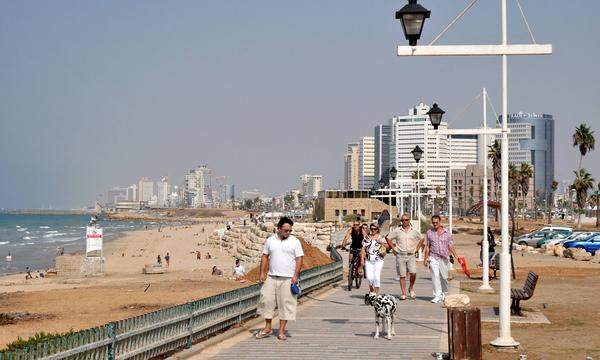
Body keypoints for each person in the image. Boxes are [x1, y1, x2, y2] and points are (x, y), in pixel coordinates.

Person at [256, 217, 304, 341]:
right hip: (271, 277)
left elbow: (299, 259)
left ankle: (281, 331)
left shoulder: (295, 241)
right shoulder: (270, 241)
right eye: (285, 230)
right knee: (266, 301)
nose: (288, 233)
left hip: (288, 278)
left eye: (290, 230)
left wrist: (295, 276)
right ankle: (267, 328)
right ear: (279, 229)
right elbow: (265, 256)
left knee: (286, 305)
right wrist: (262, 273)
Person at [385, 214, 424, 300]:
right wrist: (393, 248)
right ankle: (403, 293)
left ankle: (411, 287)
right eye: (403, 220)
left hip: (411, 255)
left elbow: (422, 238)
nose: (404, 222)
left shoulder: (414, 230)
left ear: (409, 220)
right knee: (402, 275)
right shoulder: (397, 230)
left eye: (406, 220)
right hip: (400, 255)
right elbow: (388, 238)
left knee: (413, 272)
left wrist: (417, 249)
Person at [424, 215, 460, 304]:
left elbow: (450, 246)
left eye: (436, 222)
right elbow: (428, 246)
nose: (435, 224)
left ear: (440, 222)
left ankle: (444, 293)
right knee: (435, 276)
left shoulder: (447, 233)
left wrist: (456, 256)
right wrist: (425, 258)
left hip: (444, 258)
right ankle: (437, 295)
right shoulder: (429, 232)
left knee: (444, 277)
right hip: (433, 257)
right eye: (433, 223)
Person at [361, 222, 388, 294]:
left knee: (376, 277)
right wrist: (362, 260)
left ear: (377, 229)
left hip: (379, 260)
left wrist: (381, 243)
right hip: (368, 260)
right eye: (371, 229)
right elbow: (363, 249)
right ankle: (371, 290)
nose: (373, 230)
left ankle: (375, 294)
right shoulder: (366, 238)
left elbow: (388, 247)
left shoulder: (381, 237)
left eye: (375, 229)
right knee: (369, 278)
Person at [340, 221, 365, 288]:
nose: (355, 226)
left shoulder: (362, 230)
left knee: (361, 260)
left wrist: (366, 245)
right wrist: (343, 245)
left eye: (357, 225)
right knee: (350, 260)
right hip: (353, 247)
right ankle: (350, 273)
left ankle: (360, 271)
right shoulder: (351, 230)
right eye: (354, 225)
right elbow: (346, 237)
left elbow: (365, 237)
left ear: (359, 225)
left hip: (360, 247)